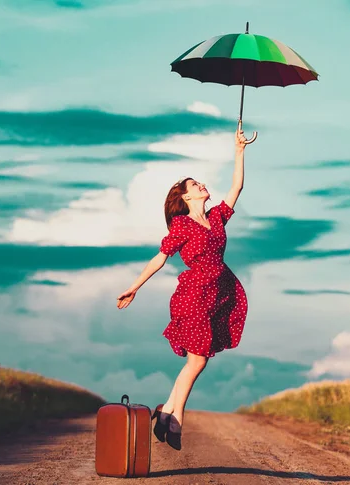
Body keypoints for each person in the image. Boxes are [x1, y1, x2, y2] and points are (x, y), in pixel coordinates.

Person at [116, 126, 250, 451]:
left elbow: (237, 186)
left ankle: (164, 414)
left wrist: (239, 150)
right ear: (186, 196)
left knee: (196, 362)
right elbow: (160, 258)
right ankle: (176, 420)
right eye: (195, 184)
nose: (202, 185)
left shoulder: (217, 217)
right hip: (193, 295)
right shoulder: (181, 225)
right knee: (198, 361)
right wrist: (133, 288)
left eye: (200, 182)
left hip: (218, 292)